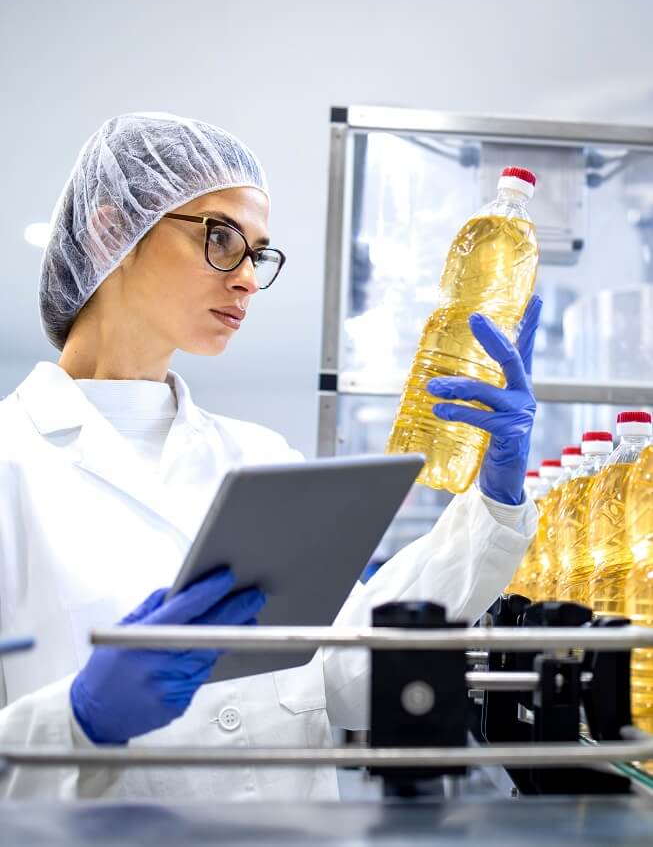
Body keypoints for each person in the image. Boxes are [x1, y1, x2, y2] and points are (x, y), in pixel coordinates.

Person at [0, 113, 540, 800]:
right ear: (112, 229)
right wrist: (76, 721)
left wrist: (492, 506)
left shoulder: (260, 458)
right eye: (219, 237)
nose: (248, 278)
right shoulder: (11, 462)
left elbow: (350, 676)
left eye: (257, 253)